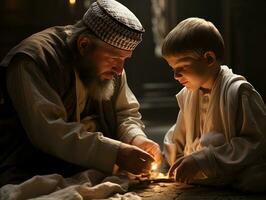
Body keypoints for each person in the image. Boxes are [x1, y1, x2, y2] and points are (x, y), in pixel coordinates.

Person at [0, 0, 162, 187]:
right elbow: (50, 132)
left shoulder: (112, 66)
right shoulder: (34, 60)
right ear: (84, 44)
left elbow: (125, 114)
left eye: (125, 59)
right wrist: (116, 153)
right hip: (32, 172)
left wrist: (136, 138)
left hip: (88, 171)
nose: (120, 70)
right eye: (115, 59)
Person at [162, 17, 266, 192]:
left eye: (182, 66)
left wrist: (205, 160)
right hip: (204, 173)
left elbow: (254, 141)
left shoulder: (239, 92)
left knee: (254, 179)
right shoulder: (188, 95)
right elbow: (177, 135)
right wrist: (174, 156)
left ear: (209, 59)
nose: (176, 76)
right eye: (173, 68)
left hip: (235, 168)